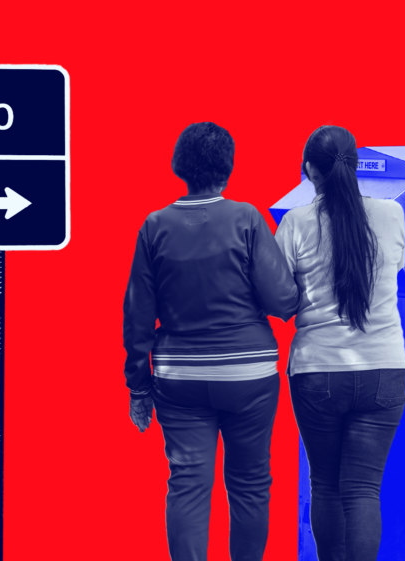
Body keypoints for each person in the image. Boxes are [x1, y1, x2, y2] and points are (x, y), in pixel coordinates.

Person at [122, 122, 299, 561]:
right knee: (251, 483)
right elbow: (282, 301)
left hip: (178, 379)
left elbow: (137, 316)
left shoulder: (154, 226)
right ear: (228, 166)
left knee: (187, 483)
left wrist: (138, 388)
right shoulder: (247, 218)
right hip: (249, 376)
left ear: (180, 165)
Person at [274, 125, 405, 561]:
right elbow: (397, 265)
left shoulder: (295, 222)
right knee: (365, 488)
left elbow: (279, 294)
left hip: (318, 372)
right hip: (385, 370)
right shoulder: (391, 214)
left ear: (309, 170)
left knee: (326, 484)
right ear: (355, 166)